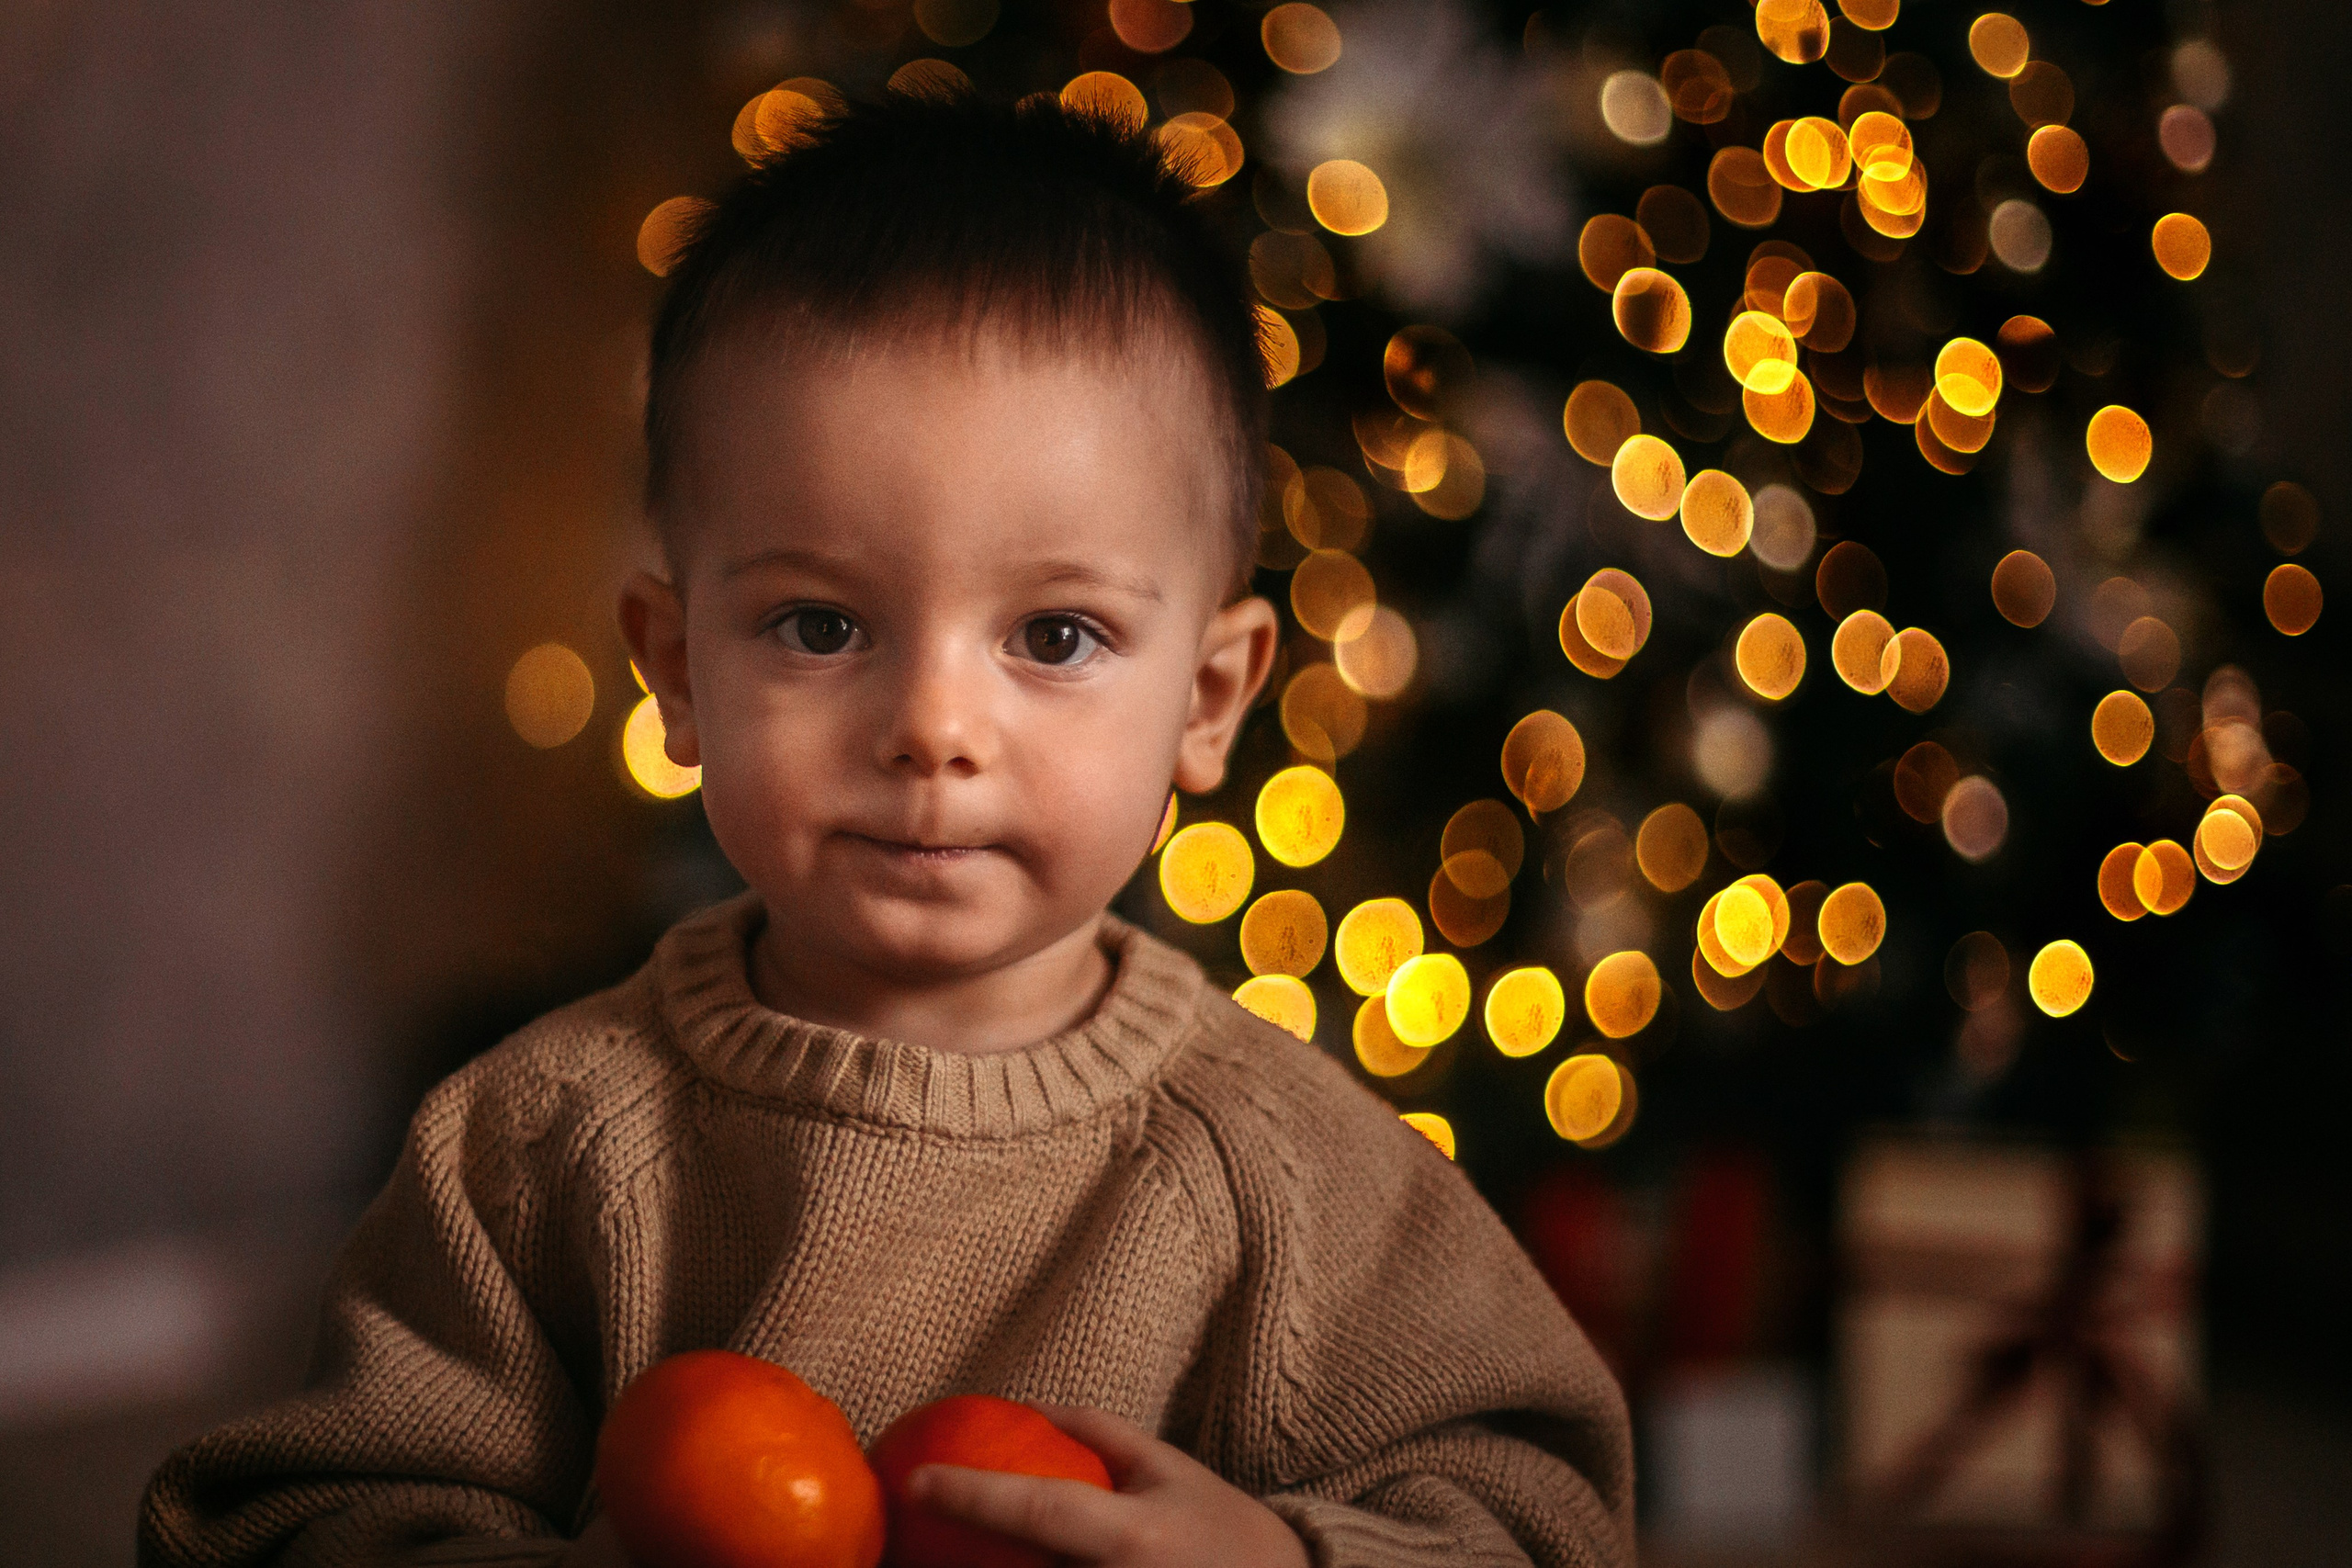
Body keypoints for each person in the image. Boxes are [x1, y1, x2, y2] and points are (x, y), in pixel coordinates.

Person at [139, 87, 1633, 1568]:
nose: (932, 726)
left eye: (1053, 637)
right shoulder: (539, 1145)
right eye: (820, 623)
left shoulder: (1284, 1178)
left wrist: (1287, 1563)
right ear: (673, 673)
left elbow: (1544, 1514)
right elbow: (272, 1523)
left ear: (1210, 699)